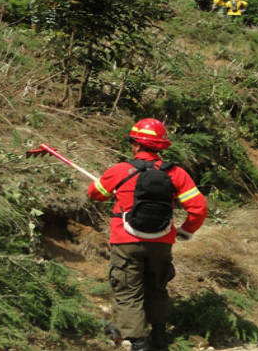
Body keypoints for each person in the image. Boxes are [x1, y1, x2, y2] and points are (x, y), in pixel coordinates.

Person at [88, 118, 207, 351]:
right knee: (158, 286)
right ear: (161, 146)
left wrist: (108, 187)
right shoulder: (177, 174)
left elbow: (95, 194)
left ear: (135, 145)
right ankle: (160, 338)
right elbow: (199, 209)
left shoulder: (120, 170)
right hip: (162, 241)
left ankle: (138, 343)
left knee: (128, 290)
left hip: (126, 241)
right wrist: (186, 231)